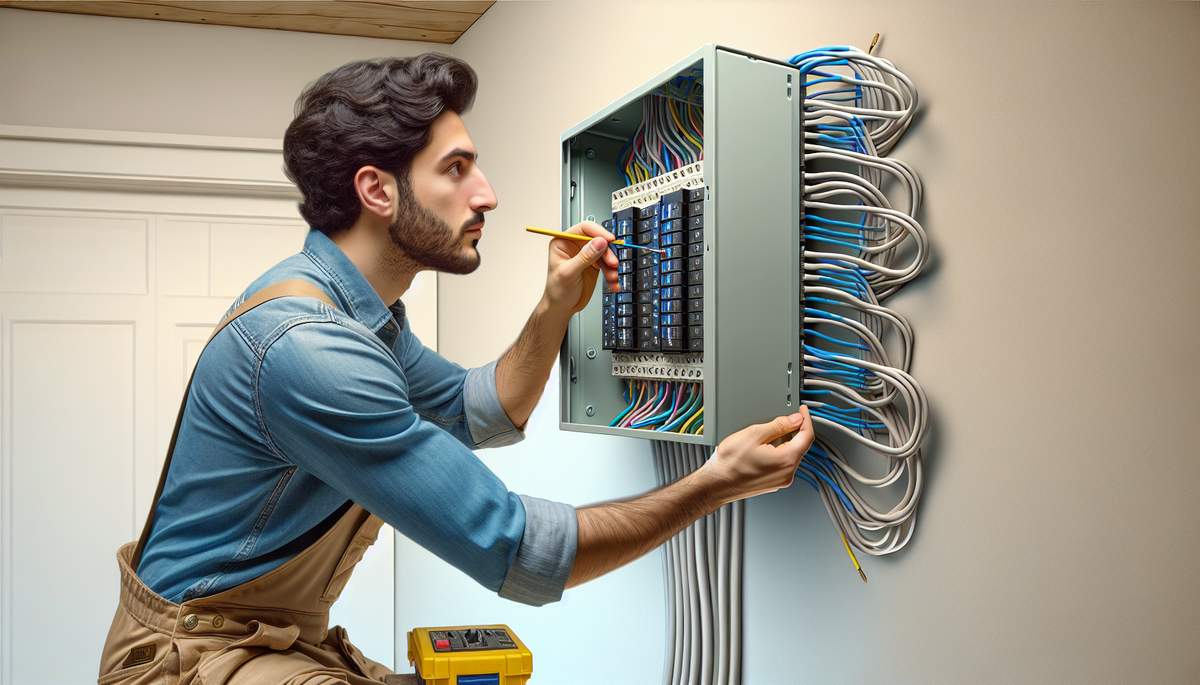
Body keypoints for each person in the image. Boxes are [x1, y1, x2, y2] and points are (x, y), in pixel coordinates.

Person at [97, 53, 815, 685]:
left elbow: (486, 410)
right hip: (186, 658)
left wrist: (556, 306)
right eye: (457, 169)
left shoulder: (364, 317)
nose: (487, 195)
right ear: (378, 191)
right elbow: (515, 549)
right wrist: (715, 484)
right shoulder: (309, 349)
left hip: (265, 641)